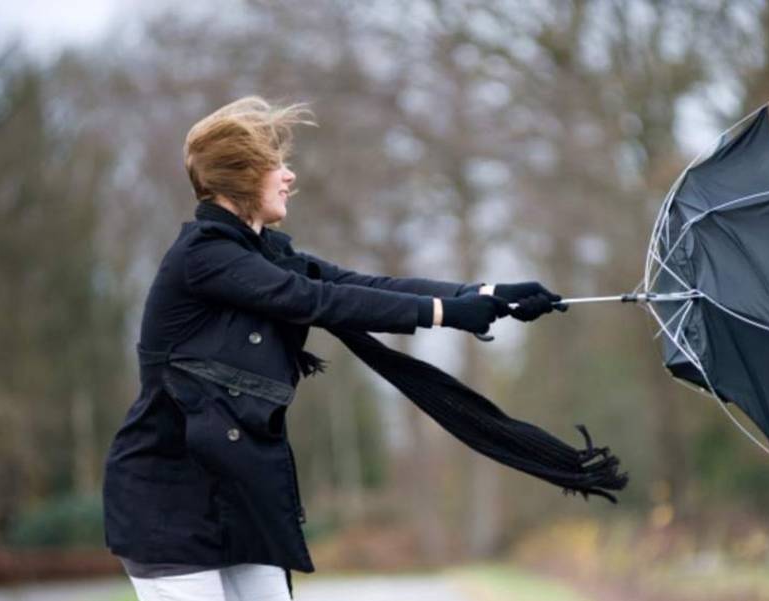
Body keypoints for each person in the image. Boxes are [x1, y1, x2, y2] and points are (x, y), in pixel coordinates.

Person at [101, 96, 564, 601]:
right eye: (274, 164)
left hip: (239, 497)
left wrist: (484, 295)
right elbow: (315, 300)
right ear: (240, 175)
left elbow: (359, 282)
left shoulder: (265, 253)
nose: (289, 176)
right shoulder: (203, 257)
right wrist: (445, 314)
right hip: (168, 501)